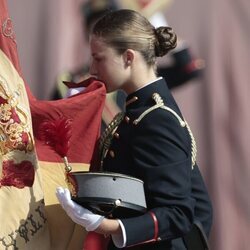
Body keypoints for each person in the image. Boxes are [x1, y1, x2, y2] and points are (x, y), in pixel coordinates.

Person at [56, 9, 213, 249]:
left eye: (99, 58)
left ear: (128, 58)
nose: (93, 69)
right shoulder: (139, 110)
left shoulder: (156, 119)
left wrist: (105, 226)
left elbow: (178, 213)